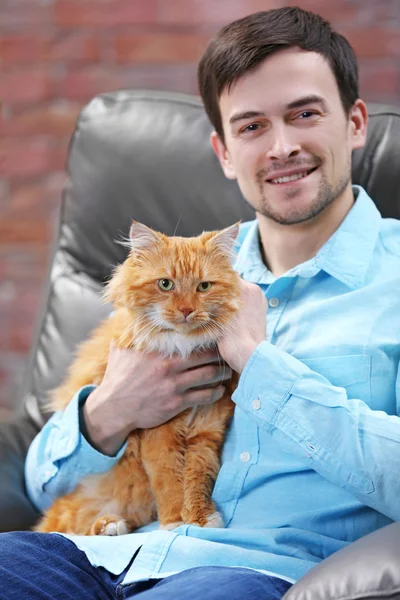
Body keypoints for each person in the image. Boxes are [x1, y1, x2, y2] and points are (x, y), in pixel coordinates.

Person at [1, 6, 400, 600]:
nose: (282, 146)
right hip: (97, 551)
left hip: (249, 571)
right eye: (251, 127)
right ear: (223, 151)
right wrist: (109, 410)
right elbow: (37, 484)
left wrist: (262, 364)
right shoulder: (172, 279)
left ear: (356, 123)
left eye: (305, 114)